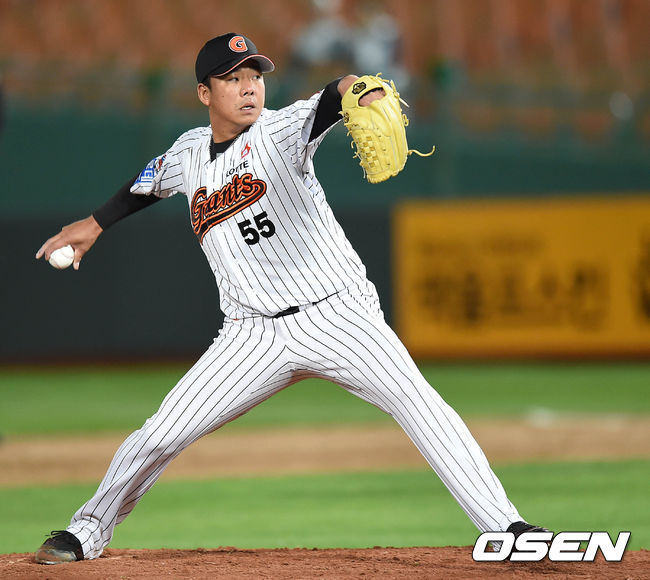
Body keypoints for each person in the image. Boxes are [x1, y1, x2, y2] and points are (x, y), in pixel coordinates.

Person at [34, 32, 548, 564]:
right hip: (250, 334)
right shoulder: (188, 153)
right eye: (232, 78)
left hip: (337, 314)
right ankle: (86, 530)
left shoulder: (279, 130)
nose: (249, 88)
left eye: (255, 76)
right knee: (161, 434)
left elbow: (333, 93)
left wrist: (362, 89)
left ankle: (508, 528)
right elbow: (146, 184)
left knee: (419, 404)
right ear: (205, 93)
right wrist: (95, 223)